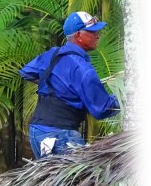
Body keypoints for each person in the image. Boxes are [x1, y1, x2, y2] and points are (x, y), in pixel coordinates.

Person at [19, 11, 120, 159]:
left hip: (37, 132)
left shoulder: (52, 54)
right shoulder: (83, 69)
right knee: (85, 173)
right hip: (61, 135)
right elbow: (102, 109)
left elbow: (27, 72)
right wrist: (125, 98)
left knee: (52, 175)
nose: (97, 35)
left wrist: (59, 86)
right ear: (78, 35)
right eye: (92, 32)